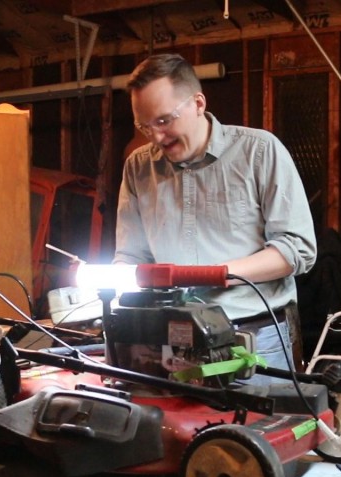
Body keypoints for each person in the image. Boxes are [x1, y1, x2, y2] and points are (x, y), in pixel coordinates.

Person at [114, 53, 317, 382]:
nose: (156, 137)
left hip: (255, 337)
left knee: (259, 430)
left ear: (197, 103)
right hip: (171, 338)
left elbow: (298, 249)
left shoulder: (260, 152)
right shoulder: (138, 166)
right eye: (144, 126)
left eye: (164, 121)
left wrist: (218, 274)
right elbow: (131, 256)